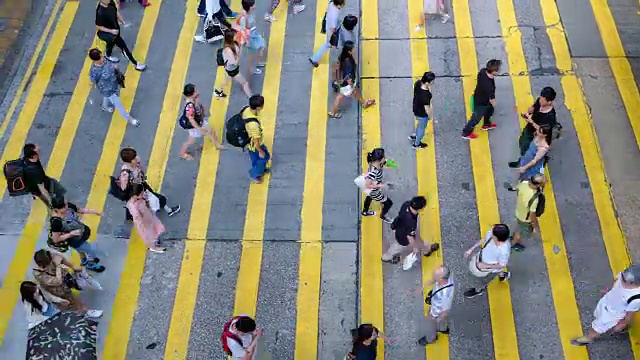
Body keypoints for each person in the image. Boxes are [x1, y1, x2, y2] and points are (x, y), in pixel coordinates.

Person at [572, 264, 640, 346]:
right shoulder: (624, 276)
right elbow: (616, 281)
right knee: (598, 315)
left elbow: (630, 312)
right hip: (605, 301)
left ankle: (589, 338)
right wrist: (609, 289)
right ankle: (621, 328)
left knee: (597, 327)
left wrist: (623, 322)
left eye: (625, 281)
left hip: (613, 314)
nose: (621, 281)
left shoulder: (636, 298)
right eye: (622, 278)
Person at [32, 249, 103, 318]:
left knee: (75, 286)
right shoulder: (39, 274)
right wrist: (58, 266)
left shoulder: (49, 255)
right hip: (57, 288)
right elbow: (57, 281)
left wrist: (73, 267)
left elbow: (62, 259)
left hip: (64, 277)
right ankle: (84, 311)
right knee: (71, 300)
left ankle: (78, 309)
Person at [120, 147, 180, 220]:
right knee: (152, 199)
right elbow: (124, 189)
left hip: (142, 185)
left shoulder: (136, 162)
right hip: (136, 191)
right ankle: (168, 211)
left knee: (151, 197)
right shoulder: (125, 174)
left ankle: (130, 217)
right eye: (134, 158)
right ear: (128, 161)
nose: (136, 158)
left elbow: (141, 170)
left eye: (135, 156)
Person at [48, 197, 106, 272]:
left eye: (66, 205)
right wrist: (71, 234)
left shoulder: (69, 206)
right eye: (63, 207)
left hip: (82, 232)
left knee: (82, 250)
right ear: (56, 210)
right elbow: (56, 239)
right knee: (92, 250)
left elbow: (79, 210)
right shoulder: (56, 222)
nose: (66, 208)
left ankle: (83, 260)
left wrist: (94, 212)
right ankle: (91, 264)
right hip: (75, 241)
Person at [89, 48, 140, 126]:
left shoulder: (104, 60)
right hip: (108, 90)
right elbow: (93, 80)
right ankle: (131, 120)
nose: (103, 58)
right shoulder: (95, 71)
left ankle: (104, 106)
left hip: (114, 84)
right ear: (95, 60)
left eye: (102, 55)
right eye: (100, 57)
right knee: (120, 107)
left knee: (106, 97)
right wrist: (93, 85)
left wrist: (115, 68)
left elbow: (110, 65)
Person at [381, 196, 439, 264]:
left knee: (419, 240)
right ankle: (386, 257)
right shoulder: (411, 222)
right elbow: (410, 237)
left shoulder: (406, 204)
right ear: (421, 209)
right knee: (397, 247)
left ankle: (426, 250)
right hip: (402, 237)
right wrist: (414, 248)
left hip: (398, 227)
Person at [509, 87, 557, 167]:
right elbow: (534, 106)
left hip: (540, 135)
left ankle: (525, 162)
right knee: (523, 142)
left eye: (543, 100)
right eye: (540, 97)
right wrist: (531, 110)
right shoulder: (540, 101)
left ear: (549, 102)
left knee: (531, 149)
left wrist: (532, 122)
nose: (540, 100)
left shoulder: (550, 116)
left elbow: (544, 131)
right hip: (530, 129)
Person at [95, 0, 147, 70]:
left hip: (115, 30)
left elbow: (115, 12)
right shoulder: (100, 12)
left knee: (110, 43)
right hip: (112, 33)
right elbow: (98, 26)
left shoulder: (110, 2)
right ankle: (135, 64)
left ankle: (108, 55)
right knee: (124, 48)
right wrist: (111, 31)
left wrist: (123, 22)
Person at [328, 41, 375, 118]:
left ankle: (364, 102)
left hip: (343, 80)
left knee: (355, 91)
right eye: (353, 49)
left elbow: (337, 68)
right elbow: (348, 74)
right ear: (349, 51)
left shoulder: (342, 56)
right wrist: (350, 83)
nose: (355, 50)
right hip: (347, 82)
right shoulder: (348, 62)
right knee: (341, 96)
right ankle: (332, 112)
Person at [463, 224, 511, 298]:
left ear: (497, 238)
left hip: (489, 270)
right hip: (481, 258)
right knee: (499, 271)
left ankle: (478, 290)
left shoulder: (503, 251)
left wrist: (484, 266)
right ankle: (503, 275)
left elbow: (502, 265)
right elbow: (484, 240)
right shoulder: (492, 232)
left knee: (482, 281)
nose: (491, 232)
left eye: (493, 233)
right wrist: (471, 249)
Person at [179, 84, 223, 160]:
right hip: (195, 125)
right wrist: (199, 129)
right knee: (191, 141)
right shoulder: (189, 106)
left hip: (200, 120)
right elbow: (191, 119)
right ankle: (182, 153)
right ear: (191, 94)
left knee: (210, 130)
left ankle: (217, 145)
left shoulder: (194, 99)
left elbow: (198, 107)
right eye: (196, 91)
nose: (198, 91)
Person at [461, 59, 501, 139]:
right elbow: (491, 98)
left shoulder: (483, 72)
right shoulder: (489, 86)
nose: (500, 69)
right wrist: (493, 102)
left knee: (490, 110)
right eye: (498, 68)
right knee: (476, 118)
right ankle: (466, 133)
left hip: (478, 96)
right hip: (482, 102)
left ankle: (486, 124)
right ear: (494, 72)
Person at [418, 264, 454, 345]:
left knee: (431, 324)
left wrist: (435, 320)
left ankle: (431, 338)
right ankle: (443, 328)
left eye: (436, 274)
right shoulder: (446, 278)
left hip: (437, 311)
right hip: (436, 305)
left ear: (441, 278)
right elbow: (434, 280)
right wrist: (422, 288)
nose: (433, 274)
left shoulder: (445, 295)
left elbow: (444, 312)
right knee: (436, 321)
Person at [126, 183, 167, 253]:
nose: (144, 193)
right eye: (142, 192)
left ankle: (155, 241)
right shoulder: (133, 207)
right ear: (136, 195)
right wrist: (144, 228)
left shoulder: (138, 198)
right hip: (145, 224)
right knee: (150, 236)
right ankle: (153, 247)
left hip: (149, 217)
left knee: (155, 231)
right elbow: (138, 220)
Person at [508, 126, 551, 191]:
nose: (537, 132)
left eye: (540, 132)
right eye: (538, 130)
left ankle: (528, 188)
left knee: (528, 177)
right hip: (526, 158)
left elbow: (534, 161)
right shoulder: (538, 135)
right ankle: (517, 186)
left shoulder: (543, 148)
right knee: (521, 174)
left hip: (531, 164)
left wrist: (524, 167)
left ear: (545, 135)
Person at [215, 30, 253, 98]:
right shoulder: (228, 50)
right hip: (233, 71)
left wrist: (241, 44)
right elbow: (235, 63)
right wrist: (240, 50)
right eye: (235, 35)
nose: (236, 36)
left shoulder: (233, 44)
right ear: (230, 38)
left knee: (226, 80)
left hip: (229, 68)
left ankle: (218, 91)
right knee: (244, 83)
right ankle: (251, 98)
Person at [511, 175, 544, 252]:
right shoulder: (534, 198)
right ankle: (515, 243)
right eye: (543, 181)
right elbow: (532, 215)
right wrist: (534, 226)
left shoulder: (524, 183)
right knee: (520, 232)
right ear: (538, 185)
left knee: (518, 226)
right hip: (525, 219)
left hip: (519, 211)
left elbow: (517, 190)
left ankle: (514, 235)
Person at [233, 0, 266, 76]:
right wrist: (247, 41)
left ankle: (256, 63)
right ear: (249, 7)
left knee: (261, 45)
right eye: (253, 5)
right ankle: (252, 68)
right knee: (252, 54)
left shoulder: (247, 12)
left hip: (253, 34)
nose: (255, 6)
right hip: (249, 37)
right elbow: (243, 30)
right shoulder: (243, 17)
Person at [242, 95, 271, 183]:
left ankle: (261, 170)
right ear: (258, 107)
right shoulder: (253, 125)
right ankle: (254, 175)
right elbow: (256, 141)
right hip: (254, 145)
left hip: (250, 141)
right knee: (263, 157)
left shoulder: (247, 110)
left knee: (257, 159)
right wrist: (260, 151)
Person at [309, 0, 346, 67]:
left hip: (328, 24)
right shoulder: (334, 14)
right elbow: (333, 28)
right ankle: (314, 59)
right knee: (327, 44)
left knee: (329, 44)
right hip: (331, 29)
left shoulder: (331, 3)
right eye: (343, 4)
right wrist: (333, 38)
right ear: (338, 5)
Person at [362, 148, 393, 222]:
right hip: (375, 191)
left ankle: (365, 211)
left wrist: (391, 164)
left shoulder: (376, 162)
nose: (385, 158)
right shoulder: (373, 172)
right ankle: (383, 215)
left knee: (369, 197)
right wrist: (381, 185)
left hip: (373, 188)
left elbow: (387, 163)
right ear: (379, 159)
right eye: (383, 157)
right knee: (388, 203)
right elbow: (367, 185)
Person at [409, 71, 435, 149]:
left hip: (416, 108)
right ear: (427, 82)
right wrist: (431, 117)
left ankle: (415, 135)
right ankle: (417, 144)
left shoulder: (418, 83)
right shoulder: (426, 95)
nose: (433, 83)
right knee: (422, 128)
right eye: (432, 82)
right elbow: (427, 108)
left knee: (419, 125)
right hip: (422, 113)